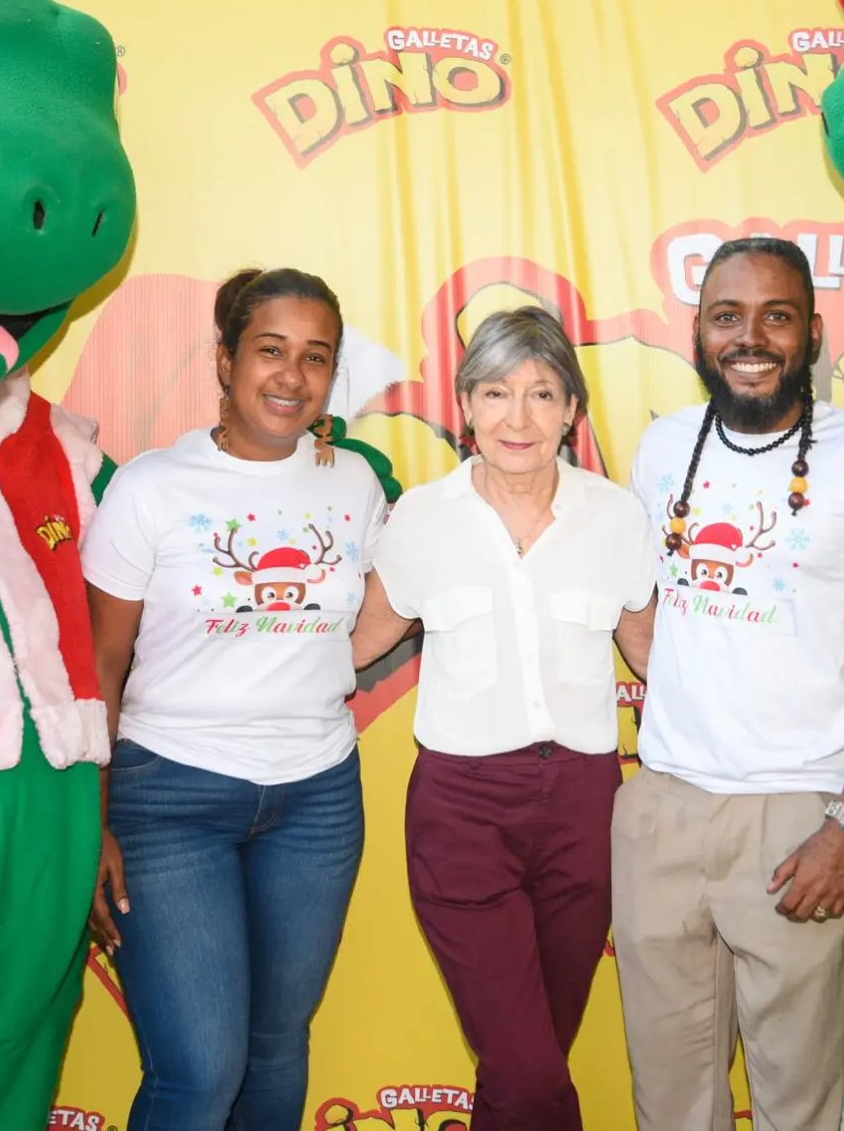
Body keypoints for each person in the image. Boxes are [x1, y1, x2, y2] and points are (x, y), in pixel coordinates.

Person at [610, 236, 844, 1130]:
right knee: (670, 1102)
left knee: (797, 1101)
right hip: (665, 807)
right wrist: (687, 684)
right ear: (699, 335)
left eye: (775, 316)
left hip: (800, 818)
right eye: (728, 316)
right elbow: (637, 603)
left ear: (814, 334)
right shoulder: (662, 447)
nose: (750, 337)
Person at [79, 267, 386, 1131]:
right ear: (225, 359)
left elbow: (391, 602)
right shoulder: (149, 488)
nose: (291, 377)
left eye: (315, 358)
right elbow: (102, 664)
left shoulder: (351, 483)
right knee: (199, 1070)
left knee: (278, 1046)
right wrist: (90, 818)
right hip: (170, 799)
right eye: (271, 351)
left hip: (317, 799)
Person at [352, 306, 659, 1131]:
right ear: (465, 404)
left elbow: (653, 657)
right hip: (461, 813)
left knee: (529, 1060)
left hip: (586, 809)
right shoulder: (419, 517)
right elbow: (354, 645)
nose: (517, 418)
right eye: (495, 393)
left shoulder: (618, 517)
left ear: (572, 410)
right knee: (531, 1076)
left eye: (541, 394)